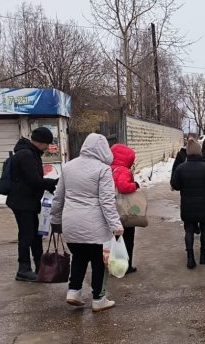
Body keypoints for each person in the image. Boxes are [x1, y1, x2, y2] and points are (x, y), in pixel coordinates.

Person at [50, 133, 123, 312]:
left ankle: (74, 291)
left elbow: (58, 198)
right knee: (99, 262)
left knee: (79, 258)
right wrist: (115, 225)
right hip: (95, 226)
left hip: (71, 224)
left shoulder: (68, 167)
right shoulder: (102, 170)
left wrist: (55, 220)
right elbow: (107, 201)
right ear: (102, 149)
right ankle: (99, 299)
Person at [6, 126, 58, 282]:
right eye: (47, 143)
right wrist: (54, 183)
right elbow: (34, 180)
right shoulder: (26, 155)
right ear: (41, 142)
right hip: (22, 202)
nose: (48, 147)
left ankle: (39, 266)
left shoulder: (30, 153)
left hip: (27, 201)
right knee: (26, 236)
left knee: (35, 235)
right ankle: (23, 269)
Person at [170, 138, 205, 269]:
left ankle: (190, 259)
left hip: (187, 206)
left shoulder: (181, 168)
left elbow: (175, 185)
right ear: (199, 152)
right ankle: (202, 256)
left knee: (188, 230)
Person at [110, 143, 140, 274]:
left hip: (109, 210)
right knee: (127, 238)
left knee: (114, 239)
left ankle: (112, 264)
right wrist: (135, 185)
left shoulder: (107, 169)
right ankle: (126, 265)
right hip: (123, 211)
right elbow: (123, 187)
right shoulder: (123, 170)